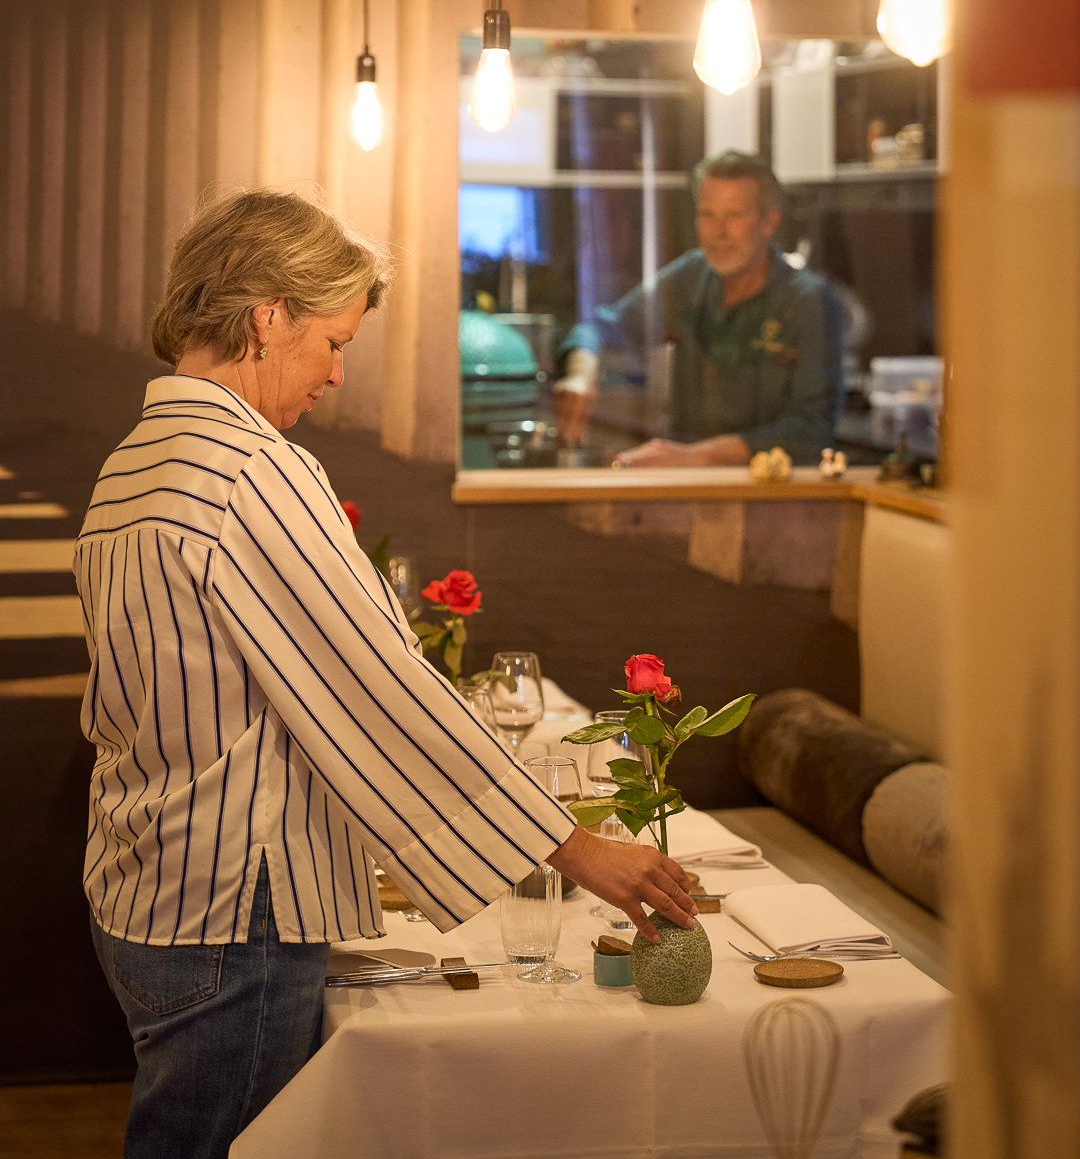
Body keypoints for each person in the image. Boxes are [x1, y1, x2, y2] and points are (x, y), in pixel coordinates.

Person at [74, 188, 696, 1159]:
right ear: (266, 316)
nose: (337, 373)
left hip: (146, 880)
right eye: (332, 341)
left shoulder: (135, 461)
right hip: (233, 900)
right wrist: (573, 848)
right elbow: (381, 695)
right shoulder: (249, 470)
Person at [554, 151, 844, 467]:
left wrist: (694, 456)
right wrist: (581, 375)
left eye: (734, 216)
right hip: (688, 482)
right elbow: (602, 326)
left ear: (769, 221)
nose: (719, 233)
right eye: (707, 215)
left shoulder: (808, 301)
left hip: (774, 487)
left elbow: (811, 431)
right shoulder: (691, 277)